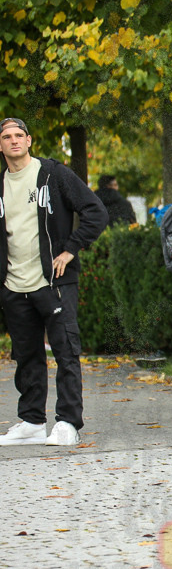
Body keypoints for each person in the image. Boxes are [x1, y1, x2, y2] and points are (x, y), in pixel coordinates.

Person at [0, 117, 108, 446]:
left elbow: (96, 211)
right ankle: (32, 422)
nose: (14, 140)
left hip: (54, 282)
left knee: (66, 352)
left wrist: (70, 249)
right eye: (7, 136)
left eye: (19, 135)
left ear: (29, 140)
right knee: (26, 356)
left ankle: (68, 423)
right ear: (0, 145)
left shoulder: (52, 174)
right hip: (14, 286)